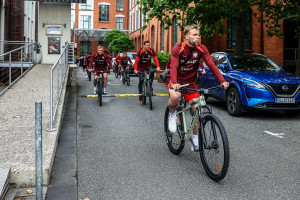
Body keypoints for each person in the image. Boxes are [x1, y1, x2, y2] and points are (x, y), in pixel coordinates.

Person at [166, 25, 229, 151]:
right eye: (194, 34)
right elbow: (173, 67)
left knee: (198, 109)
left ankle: (195, 138)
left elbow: (211, 64)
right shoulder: (178, 48)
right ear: (187, 36)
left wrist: (223, 81)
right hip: (175, 80)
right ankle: (172, 115)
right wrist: (174, 83)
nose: (198, 37)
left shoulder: (201, 48)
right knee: (175, 96)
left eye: (198, 35)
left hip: (190, 82)